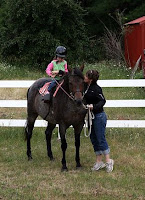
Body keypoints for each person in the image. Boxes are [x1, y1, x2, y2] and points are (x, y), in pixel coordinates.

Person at [84, 70, 114, 172]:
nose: (84, 77)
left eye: (86, 76)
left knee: (100, 138)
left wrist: (94, 107)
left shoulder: (96, 89)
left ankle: (108, 161)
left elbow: (103, 101)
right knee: (93, 138)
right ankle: (98, 161)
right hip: (90, 117)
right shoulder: (85, 87)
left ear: (90, 79)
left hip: (99, 116)